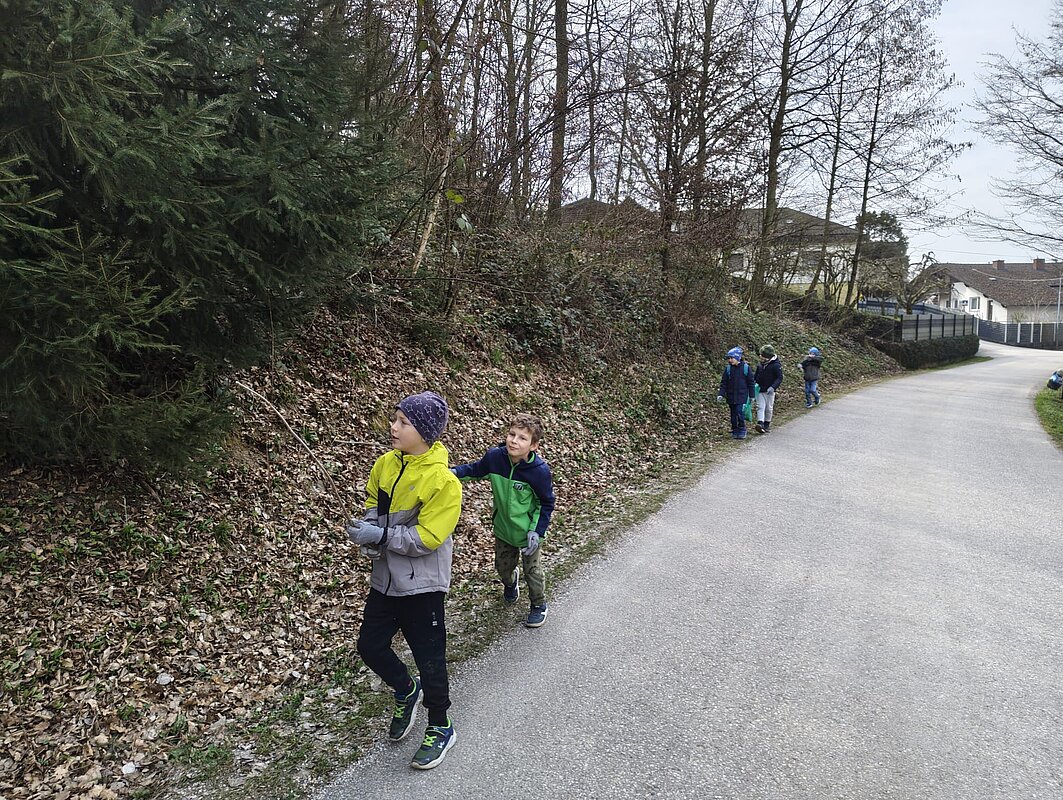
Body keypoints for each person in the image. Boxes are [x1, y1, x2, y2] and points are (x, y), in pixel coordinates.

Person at [347, 391, 462, 770]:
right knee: (370, 646)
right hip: (385, 579)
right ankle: (405, 689)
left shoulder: (443, 482)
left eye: (403, 422)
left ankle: (441, 725)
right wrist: (369, 528)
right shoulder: (385, 464)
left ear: (425, 432)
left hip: (422, 586)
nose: (393, 427)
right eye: (394, 419)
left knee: (430, 658)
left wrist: (380, 536)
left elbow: (427, 538)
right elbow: (374, 502)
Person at [452, 413, 556, 628]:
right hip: (503, 530)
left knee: (533, 572)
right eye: (511, 434)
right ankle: (510, 582)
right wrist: (452, 472)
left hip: (529, 533)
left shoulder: (539, 472)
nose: (514, 441)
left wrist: (537, 531)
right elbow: (475, 470)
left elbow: (546, 503)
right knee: (502, 567)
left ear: (534, 446)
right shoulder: (495, 458)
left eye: (522, 438)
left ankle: (538, 604)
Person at [717, 347, 756, 439]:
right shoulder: (728, 369)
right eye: (729, 358)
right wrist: (721, 394)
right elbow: (724, 383)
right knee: (733, 415)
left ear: (738, 357)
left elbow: (751, 383)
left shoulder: (746, 368)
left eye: (732, 358)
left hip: (742, 396)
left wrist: (752, 396)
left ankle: (742, 429)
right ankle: (735, 429)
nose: (730, 360)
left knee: (739, 412)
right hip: (731, 396)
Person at [753, 344, 783, 434]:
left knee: (768, 408)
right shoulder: (760, 365)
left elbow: (779, 378)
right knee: (760, 407)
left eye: (762, 355)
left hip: (770, 391)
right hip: (760, 389)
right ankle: (760, 423)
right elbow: (756, 376)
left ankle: (766, 424)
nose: (760, 356)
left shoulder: (776, 365)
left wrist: (773, 387)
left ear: (767, 357)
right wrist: (754, 383)